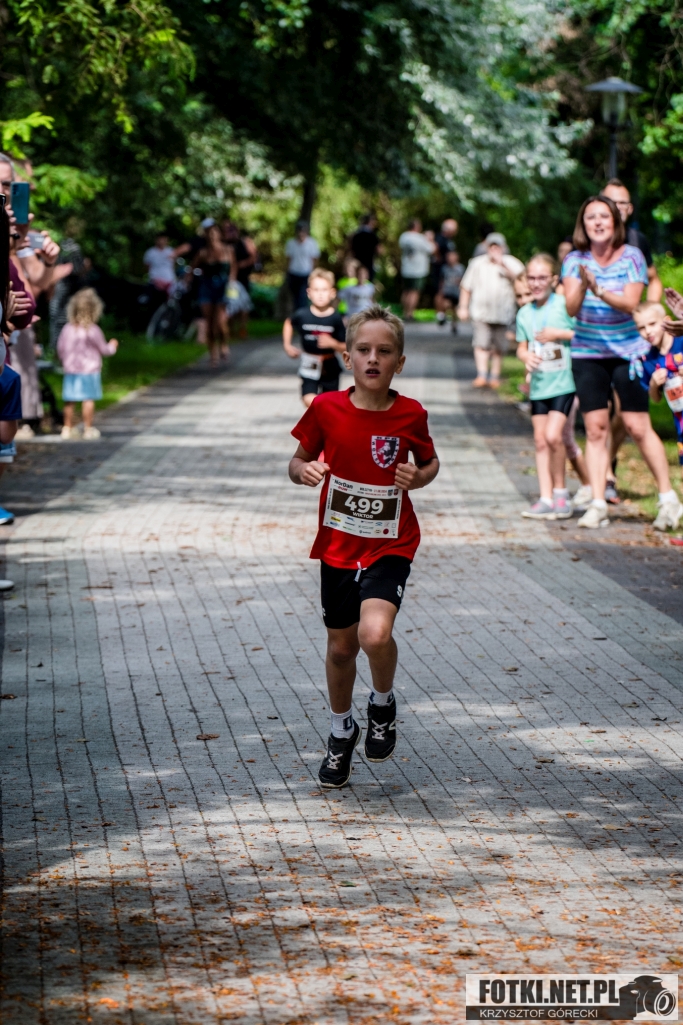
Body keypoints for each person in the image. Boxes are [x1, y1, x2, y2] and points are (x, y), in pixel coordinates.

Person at [288, 304, 439, 788]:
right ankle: (341, 731)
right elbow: (297, 460)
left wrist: (418, 477)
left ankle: (382, 703)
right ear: (348, 357)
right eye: (364, 349)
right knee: (340, 648)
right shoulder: (325, 408)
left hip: (391, 541)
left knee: (374, 635)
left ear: (400, 362)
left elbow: (430, 462)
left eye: (385, 351)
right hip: (338, 545)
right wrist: (304, 471)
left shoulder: (411, 413)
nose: (373, 358)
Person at [563, 195, 682, 531]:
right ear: (583, 224)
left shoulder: (632, 256)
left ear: (615, 221)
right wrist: (584, 286)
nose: (597, 222)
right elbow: (570, 308)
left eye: (604, 216)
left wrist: (599, 290)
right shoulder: (574, 259)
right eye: (590, 217)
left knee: (636, 425)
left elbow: (631, 304)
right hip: (588, 353)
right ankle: (598, 502)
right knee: (596, 428)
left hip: (629, 352)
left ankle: (668, 499)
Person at [516, 254, 576, 520]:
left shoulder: (564, 305)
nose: (536, 283)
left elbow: (581, 334)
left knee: (554, 436)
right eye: (531, 278)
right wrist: (525, 357)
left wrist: (557, 334)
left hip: (563, 383)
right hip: (539, 385)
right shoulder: (524, 313)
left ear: (553, 279)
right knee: (540, 441)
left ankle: (561, 493)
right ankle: (545, 497)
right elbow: (521, 347)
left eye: (542, 278)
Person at [458, 232, 524, 389]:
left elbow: (522, 281)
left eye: (497, 246)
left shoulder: (512, 262)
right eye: (491, 246)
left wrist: (503, 265)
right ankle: (481, 375)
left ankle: (494, 377)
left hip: (504, 314)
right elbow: (466, 286)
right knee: (481, 344)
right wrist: (463, 307)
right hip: (481, 313)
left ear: (503, 247)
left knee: (499, 347)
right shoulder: (477, 263)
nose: (494, 249)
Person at [57, 288, 118, 440]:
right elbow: (104, 349)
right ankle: (88, 429)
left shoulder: (67, 329)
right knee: (88, 399)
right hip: (90, 371)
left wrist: (64, 360)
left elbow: (60, 348)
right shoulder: (93, 330)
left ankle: (67, 428)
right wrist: (113, 346)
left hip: (71, 370)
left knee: (69, 400)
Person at [283, 269, 346, 408]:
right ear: (309, 293)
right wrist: (287, 345)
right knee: (308, 399)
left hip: (330, 366)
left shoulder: (336, 318)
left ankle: (322, 416)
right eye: (316, 290)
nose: (320, 294)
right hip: (309, 364)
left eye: (324, 290)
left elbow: (346, 347)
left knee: (330, 404)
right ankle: (319, 411)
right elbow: (289, 323)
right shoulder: (302, 314)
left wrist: (333, 343)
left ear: (332, 293)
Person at [635, 302, 683, 475]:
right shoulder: (649, 360)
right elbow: (655, 398)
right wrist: (654, 385)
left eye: (652, 324)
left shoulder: (681, 342)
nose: (648, 331)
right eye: (641, 328)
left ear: (667, 321)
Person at [601, 180, 662, 302]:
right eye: (612, 202)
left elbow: (653, 280)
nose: (617, 207)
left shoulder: (638, 240)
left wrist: (651, 308)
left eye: (622, 203)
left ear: (630, 208)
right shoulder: (585, 239)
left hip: (629, 312)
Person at [193, 224, 235, 367]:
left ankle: (223, 343)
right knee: (209, 323)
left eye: (214, 233)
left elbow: (233, 269)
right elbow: (193, 268)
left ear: (219, 235)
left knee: (220, 323)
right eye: (209, 233)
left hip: (223, 288)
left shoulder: (228, 250)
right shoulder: (203, 253)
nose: (212, 236)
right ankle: (212, 354)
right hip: (207, 288)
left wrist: (232, 283)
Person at [398, 219, 435, 320]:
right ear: (417, 227)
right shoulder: (420, 238)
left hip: (406, 268)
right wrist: (430, 239)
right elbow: (431, 249)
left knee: (406, 291)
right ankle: (410, 313)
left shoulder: (403, 237)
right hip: (418, 270)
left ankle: (404, 312)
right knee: (414, 292)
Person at [285, 220, 320, 310]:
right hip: (293, 272)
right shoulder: (291, 243)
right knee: (294, 296)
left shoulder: (312, 243)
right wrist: (287, 272)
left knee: (303, 296)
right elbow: (288, 259)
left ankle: (302, 312)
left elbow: (314, 259)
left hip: (306, 273)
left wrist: (313, 273)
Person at [436, 248, 465, 330]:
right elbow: (442, 280)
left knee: (454, 309)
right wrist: (440, 290)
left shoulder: (460, 268)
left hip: (456, 292)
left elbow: (463, 280)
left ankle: (454, 324)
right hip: (447, 291)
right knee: (446, 304)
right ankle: (443, 316)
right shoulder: (444, 268)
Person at [432, 218, 459, 300]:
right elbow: (435, 247)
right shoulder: (441, 238)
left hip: (448, 269)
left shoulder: (449, 239)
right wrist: (438, 257)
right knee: (440, 289)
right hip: (440, 268)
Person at [350, 214, 382, 281]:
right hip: (369, 264)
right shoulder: (373, 236)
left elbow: (351, 250)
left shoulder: (356, 235)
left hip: (357, 264)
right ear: (370, 222)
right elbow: (379, 250)